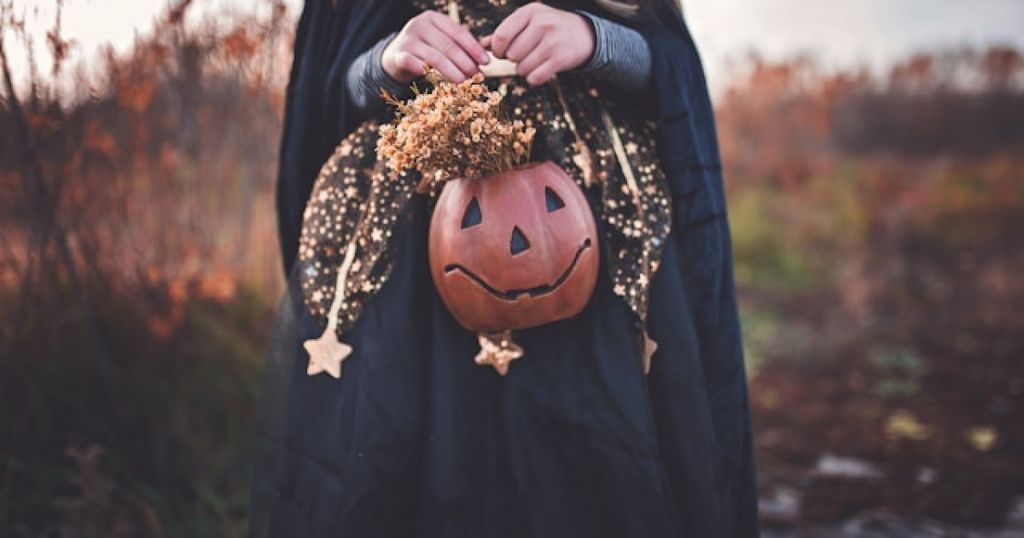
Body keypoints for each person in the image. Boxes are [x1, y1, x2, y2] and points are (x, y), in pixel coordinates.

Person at [253, 0, 759, 536]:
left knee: (599, 459)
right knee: (412, 453)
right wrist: (389, 58)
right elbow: (330, 87)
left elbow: (669, 67)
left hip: (599, 237)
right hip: (410, 254)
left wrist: (594, 40)